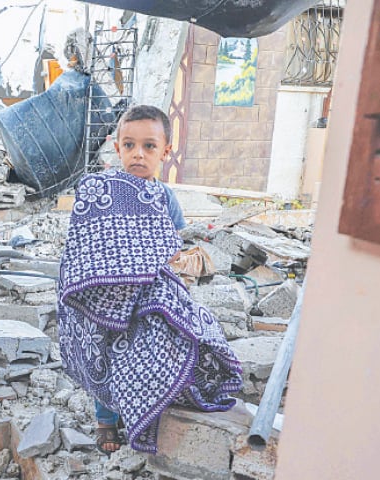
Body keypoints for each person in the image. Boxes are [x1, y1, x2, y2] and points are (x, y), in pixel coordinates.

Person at [58, 105, 243, 455]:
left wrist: (182, 268)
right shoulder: (100, 191)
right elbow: (82, 244)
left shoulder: (164, 198)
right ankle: (106, 420)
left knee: (154, 345)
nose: (138, 154)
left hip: (145, 294)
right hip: (102, 294)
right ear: (117, 148)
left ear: (166, 151)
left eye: (149, 146)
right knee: (105, 351)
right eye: (129, 145)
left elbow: (170, 248)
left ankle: (144, 406)